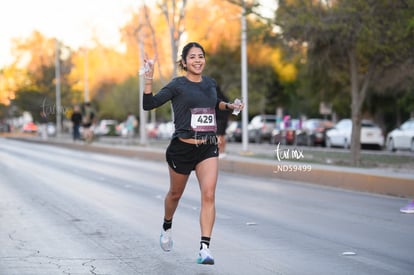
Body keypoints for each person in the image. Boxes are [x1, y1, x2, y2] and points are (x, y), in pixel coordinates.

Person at [142, 42, 243, 265]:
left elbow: (213, 104)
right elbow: (149, 104)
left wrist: (231, 105)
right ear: (185, 62)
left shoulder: (210, 83)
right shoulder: (177, 85)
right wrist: (149, 77)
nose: (198, 60)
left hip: (207, 146)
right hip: (182, 149)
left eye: (201, 56)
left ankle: (204, 248)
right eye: (193, 57)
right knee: (175, 195)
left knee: (209, 195)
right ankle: (167, 224)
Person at [215, 85, 231, 158]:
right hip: (223, 119)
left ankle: (221, 151)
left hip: (219, 119)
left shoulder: (216, 97)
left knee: (219, 135)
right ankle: (222, 151)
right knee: (221, 135)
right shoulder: (223, 97)